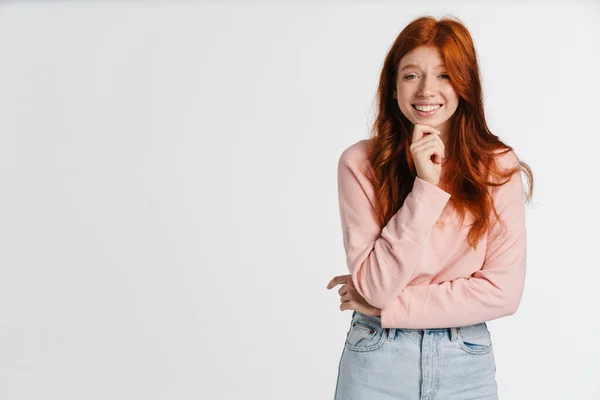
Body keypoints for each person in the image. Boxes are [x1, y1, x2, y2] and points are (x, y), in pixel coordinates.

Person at [326, 15, 534, 400]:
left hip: (465, 360)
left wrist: (386, 306)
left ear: (465, 84)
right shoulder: (359, 164)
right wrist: (426, 187)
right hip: (377, 359)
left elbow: (502, 293)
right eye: (411, 75)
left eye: (444, 75)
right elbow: (375, 284)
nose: (427, 90)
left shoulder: (498, 167)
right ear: (392, 86)